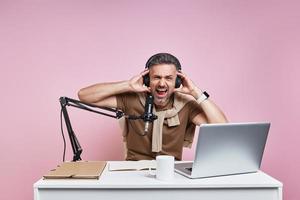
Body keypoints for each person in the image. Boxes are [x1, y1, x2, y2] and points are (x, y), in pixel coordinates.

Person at [78, 53, 228, 161]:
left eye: (169, 78)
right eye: (156, 77)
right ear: (147, 79)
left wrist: (196, 92)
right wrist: (127, 85)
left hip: (171, 173)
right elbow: (84, 95)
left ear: (177, 81)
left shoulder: (186, 105)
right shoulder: (131, 99)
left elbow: (223, 128)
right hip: (133, 172)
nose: (162, 84)